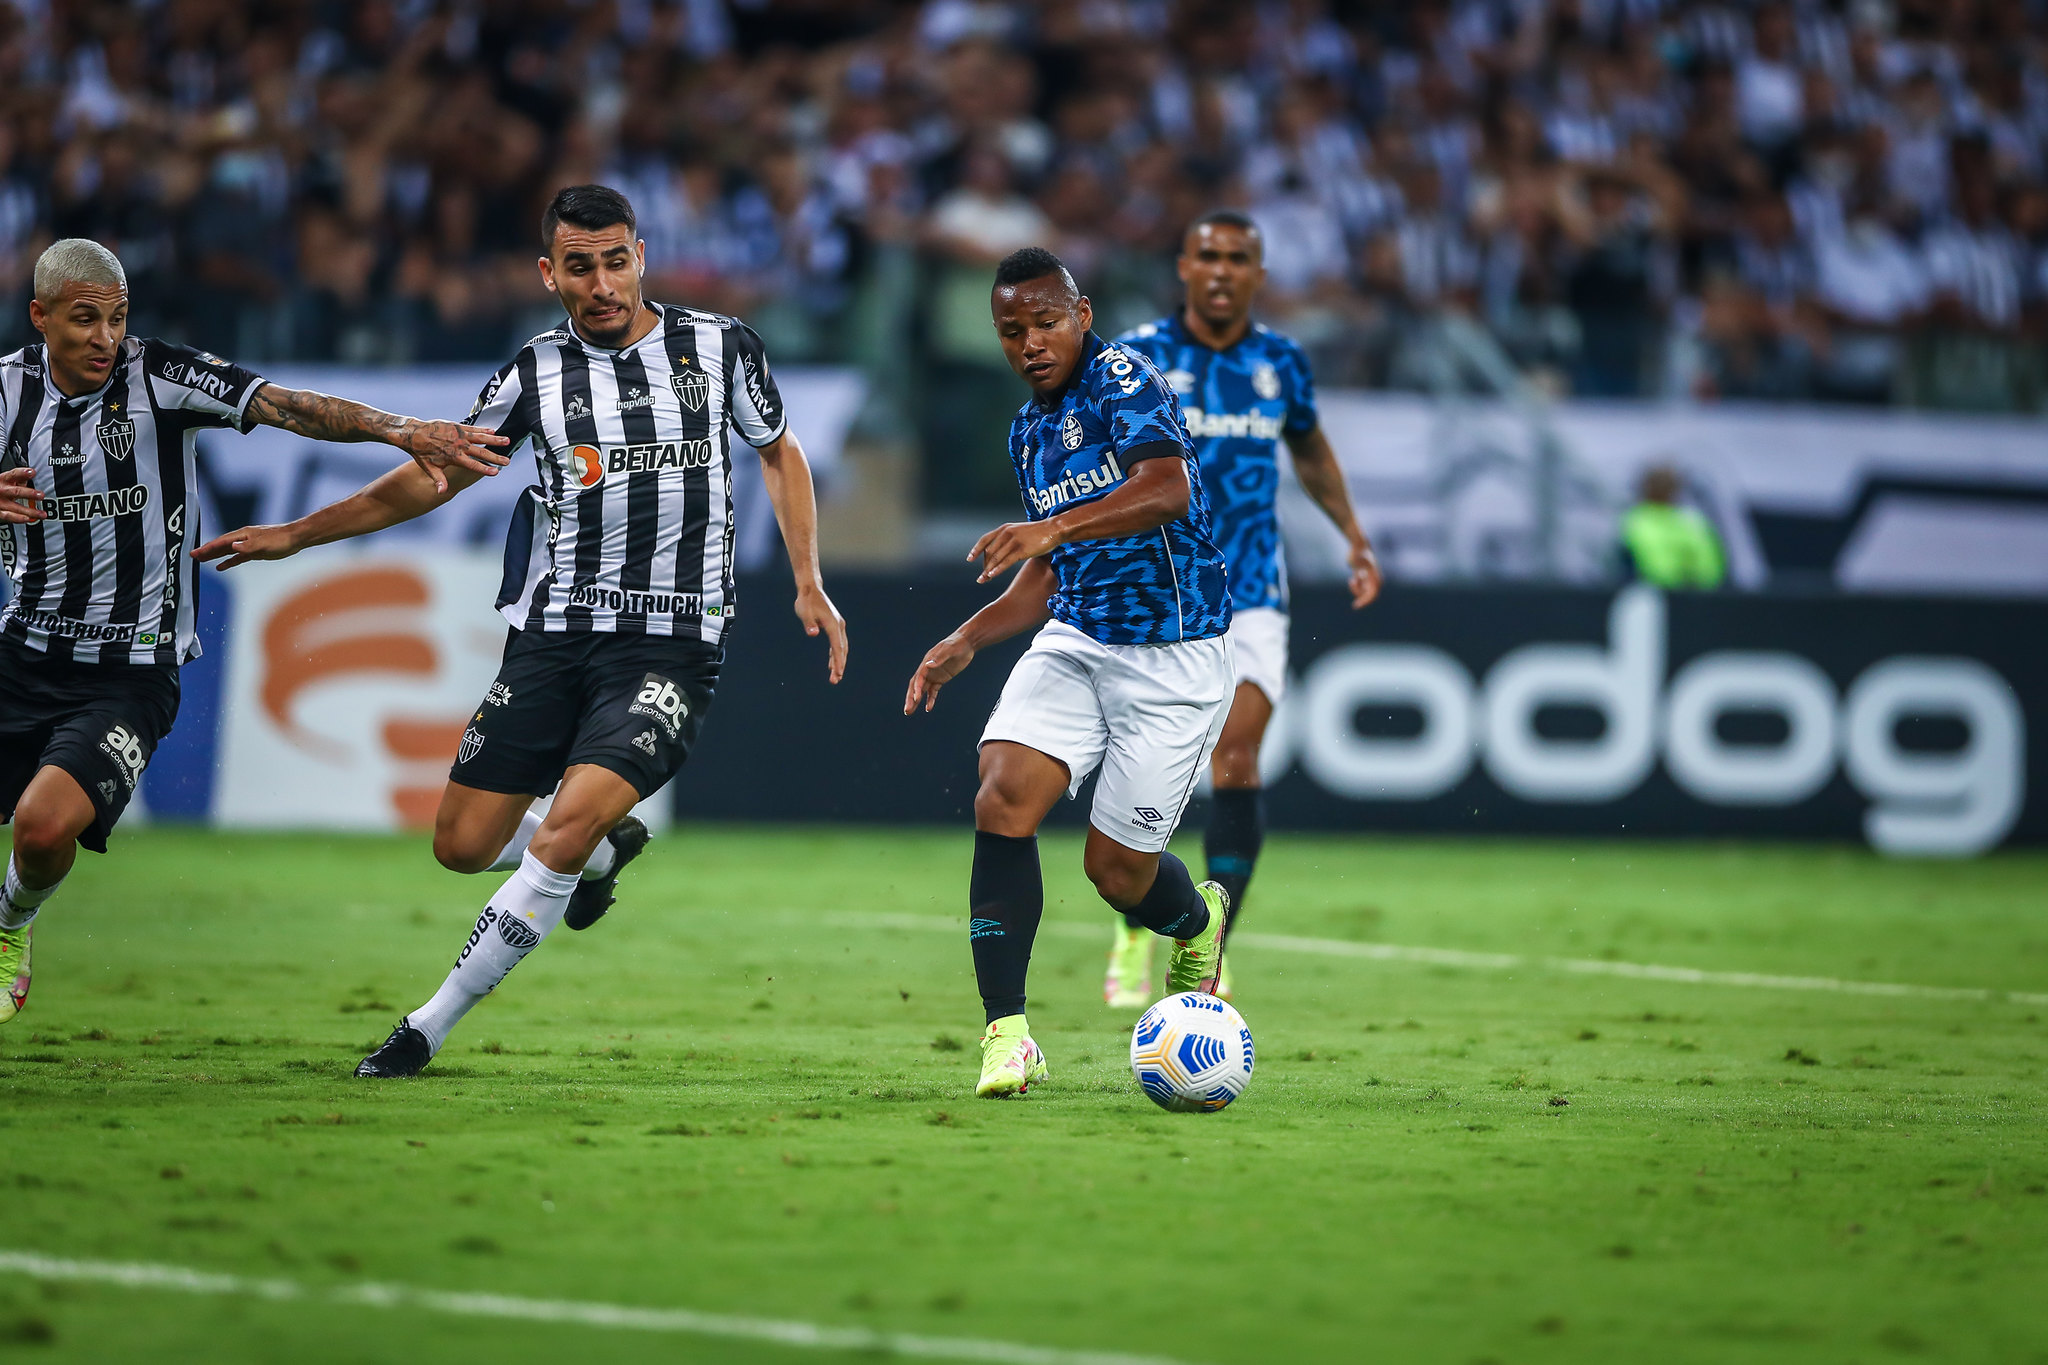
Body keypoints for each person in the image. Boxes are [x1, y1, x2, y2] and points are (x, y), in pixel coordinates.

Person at [193, 186, 849, 1076]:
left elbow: (778, 448)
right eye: (580, 266)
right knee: (461, 844)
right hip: (554, 639)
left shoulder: (720, 345)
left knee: (560, 830)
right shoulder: (535, 374)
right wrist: (298, 534)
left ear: (641, 257)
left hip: (671, 646)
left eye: (615, 261)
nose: (602, 284)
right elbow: (434, 476)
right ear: (549, 273)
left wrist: (809, 580)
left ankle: (426, 1026)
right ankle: (605, 851)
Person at [0, 238, 507, 1025]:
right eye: (84, 319)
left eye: (118, 318)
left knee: (40, 829)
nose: (105, 338)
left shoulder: (159, 376)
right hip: (20, 655)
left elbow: (289, 405)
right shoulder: (5, 391)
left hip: (130, 675)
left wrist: (403, 431)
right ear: (40, 316)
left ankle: (10, 923)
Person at [903, 247, 1234, 1099]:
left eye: (1046, 322)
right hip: (1079, 638)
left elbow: (1166, 489)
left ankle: (1198, 921)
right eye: (1011, 331)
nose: (1031, 343)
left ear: (1081, 315)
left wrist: (1053, 528)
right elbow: (1049, 573)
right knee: (1002, 795)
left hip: (1174, 654)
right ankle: (1008, 1036)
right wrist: (970, 636)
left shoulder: (1124, 380)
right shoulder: (1028, 431)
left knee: (1117, 874)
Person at [1110, 210, 1381, 1007]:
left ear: (1259, 274)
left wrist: (1353, 533)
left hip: (1253, 589)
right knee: (1155, 767)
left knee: (1236, 756)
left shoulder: (1281, 360)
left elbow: (1310, 448)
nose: (1222, 269)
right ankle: (1135, 924)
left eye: (1237, 257)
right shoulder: (1136, 357)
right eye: (1208, 255)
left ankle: (1211, 943)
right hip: (1159, 589)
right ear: (1184, 267)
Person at [1620, 464, 1725, 589]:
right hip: (1658, 592)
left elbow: (1710, 566)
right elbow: (1656, 568)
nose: (1663, 487)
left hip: (1695, 591)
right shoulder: (1636, 520)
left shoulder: (1691, 519)